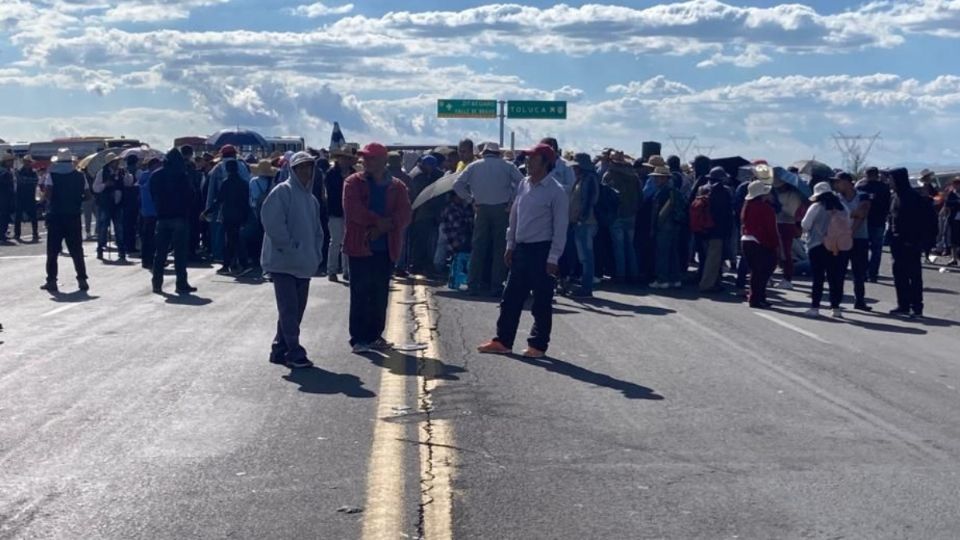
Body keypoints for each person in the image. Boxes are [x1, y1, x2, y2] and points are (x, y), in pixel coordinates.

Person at [477, 143, 569, 359]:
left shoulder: (556, 191)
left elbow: (561, 228)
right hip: (521, 249)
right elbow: (515, 217)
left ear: (546, 162)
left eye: (533, 158)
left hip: (542, 250)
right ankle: (503, 340)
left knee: (541, 300)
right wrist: (510, 245)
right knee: (510, 297)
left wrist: (553, 257)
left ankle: (538, 345)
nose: (527, 162)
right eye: (527, 158)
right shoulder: (524, 184)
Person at [343, 142, 412, 353]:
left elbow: (405, 213)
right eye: (365, 158)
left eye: (371, 158)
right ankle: (358, 338)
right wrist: (378, 222)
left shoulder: (398, 186)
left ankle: (375, 335)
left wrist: (384, 227)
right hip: (359, 245)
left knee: (380, 293)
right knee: (360, 292)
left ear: (383, 161)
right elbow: (353, 210)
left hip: (385, 247)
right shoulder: (353, 182)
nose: (366, 161)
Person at [260, 151, 325, 369]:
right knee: (289, 308)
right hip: (283, 262)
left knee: (296, 309)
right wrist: (288, 246)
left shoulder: (311, 199)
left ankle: (279, 348)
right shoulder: (282, 192)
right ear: (293, 170)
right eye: (301, 167)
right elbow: (272, 221)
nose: (306, 171)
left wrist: (316, 253)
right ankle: (294, 351)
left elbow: (317, 230)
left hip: (304, 263)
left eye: (309, 167)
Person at [453, 142, 524, 296]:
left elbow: (457, 184)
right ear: (498, 153)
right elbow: (523, 183)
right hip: (502, 209)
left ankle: (473, 284)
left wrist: (470, 199)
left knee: (478, 248)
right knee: (500, 248)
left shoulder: (474, 166)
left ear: (484, 152)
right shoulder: (507, 166)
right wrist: (512, 200)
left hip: (481, 208)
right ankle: (496, 285)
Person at [887, 167, 936, 318]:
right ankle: (903, 305)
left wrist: (918, 240)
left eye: (891, 179)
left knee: (913, 276)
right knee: (899, 275)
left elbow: (924, 221)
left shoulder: (913, 197)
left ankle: (917, 307)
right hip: (897, 242)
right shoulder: (895, 196)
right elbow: (892, 217)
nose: (890, 182)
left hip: (910, 242)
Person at [40, 149, 89, 293]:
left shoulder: (52, 175)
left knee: (53, 251)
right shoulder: (80, 176)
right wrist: (75, 199)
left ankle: (52, 281)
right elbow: (88, 196)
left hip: (55, 216)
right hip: (73, 216)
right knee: (76, 250)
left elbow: (48, 195)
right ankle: (82, 279)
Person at [150, 148, 197, 295]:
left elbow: (152, 194)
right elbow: (191, 194)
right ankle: (181, 283)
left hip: (162, 217)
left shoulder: (156, 175)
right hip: (180, 217)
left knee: (160, 253)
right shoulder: (182, 175)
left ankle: (157, 283)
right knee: (180, 253)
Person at [801, 182, 850, 318]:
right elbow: (849, 224)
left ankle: (815, 307)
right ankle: (836, 308)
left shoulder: (816, 206)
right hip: (838, 246)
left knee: (818, 278)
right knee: (836, 278)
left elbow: (805, 224)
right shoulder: (842, 207)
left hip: (818, 245)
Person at [832, 171, 873, 311]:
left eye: (838, 182)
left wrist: (850, 231)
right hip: (840, 238)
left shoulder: (862, 196)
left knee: (859, 271)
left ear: (848, 183)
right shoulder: (836, 198)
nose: (836, 185)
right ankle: (836, 302)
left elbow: (861, 215)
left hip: (859, 238)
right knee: (839, 270)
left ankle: (860, 300)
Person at [740, 180, 779, 308]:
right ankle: (757, 298)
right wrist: (775, 245)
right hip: (760, 241)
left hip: (746, 240)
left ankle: (757, 297)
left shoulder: (747, 206)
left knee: (756, 272)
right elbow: (771, 229)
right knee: (764, 272)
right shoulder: (766, 208)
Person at [603, 153, 640, 283]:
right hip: (631, 214)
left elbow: (604, 196)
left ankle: (620, 275)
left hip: (616, 215)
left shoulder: (609, 175)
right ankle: (634, 273)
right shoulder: (634, 176)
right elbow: (640, 196)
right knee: (630, 246)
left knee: (619, 247)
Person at [323, 145, 358, 282]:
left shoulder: (354, 173)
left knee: (348, 242)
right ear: (339, 158)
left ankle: (347, 271)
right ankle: (331, 270)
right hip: (335, 212)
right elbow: (330, 193)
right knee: (335, 242)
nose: (346, 160)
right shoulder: (331, 173)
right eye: (344, 158)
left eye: (348, 158)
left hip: (350, 213)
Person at [649, 165, 687, 289]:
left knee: (662, 254)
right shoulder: (675, 191)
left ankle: (662, 279)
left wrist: (654, 227)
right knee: (673, 253)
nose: (655, 180)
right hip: (675, 225)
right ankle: (675, 279)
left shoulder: (661, 192)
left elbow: (657, 213)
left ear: (664, 178)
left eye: (657, 178)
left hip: (664, 226)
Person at [212, 159, 252, 276]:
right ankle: (238, 264)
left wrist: (207, 211)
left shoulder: (226, 183)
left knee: (229, 241)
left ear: (227, 169)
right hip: (240, 215)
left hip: (228, 216)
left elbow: (219, 200)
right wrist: (246, 217)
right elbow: (246, 202)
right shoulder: (244, 183)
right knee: (237, 240)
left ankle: (228, 265)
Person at [407, 154, 444, 275]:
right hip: (421, 213)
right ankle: (417, 264)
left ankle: (420, 263)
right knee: (421, 240)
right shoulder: (418, 176)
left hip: (424, 213)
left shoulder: (419, 173)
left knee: (424, 240)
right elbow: (421, 196)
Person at [698, 167, 734, 293]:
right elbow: (726, 213)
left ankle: (712, 281)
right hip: (717, 230)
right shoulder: (724, 191)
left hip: (702, 228)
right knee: (713, 259)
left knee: (706, 257)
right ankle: (707, 284)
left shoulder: (702, 189)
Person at [569, 153, 600, 297]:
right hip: (581, 222)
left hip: (586, 223)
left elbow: (589, 200)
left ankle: (586, 288)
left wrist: (581, 218)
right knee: (584, 256)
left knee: (586, 256)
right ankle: (585, 286)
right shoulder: (583, 178)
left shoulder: (588, 179)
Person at [92, 153, 129, 262]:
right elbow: (95, 188)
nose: (117, 163)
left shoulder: (121, 172)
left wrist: (126, 174)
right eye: (115, 161)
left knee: (119, 228)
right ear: (110, 163)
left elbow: (129, 182)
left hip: (118, 205)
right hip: (105, 204)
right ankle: (100, 248)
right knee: (103, 228)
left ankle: (121, 250)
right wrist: (105, 185)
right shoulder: (102, 173)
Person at [859, 166, 891, 282]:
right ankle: (873, 274)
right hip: (879, 221)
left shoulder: (861, 187)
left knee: (862, 249)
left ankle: (863, 272)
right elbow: (888, 205)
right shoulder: (884, 188)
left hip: (863, 221)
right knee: (876, 250)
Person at [248, 159, 277, 276]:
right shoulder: (273, 182)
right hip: (270, 211)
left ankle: (256, 259)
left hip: (256, 210)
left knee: (256, 235)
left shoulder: (254, 181)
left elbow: (251, 198)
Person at [138, 157, 162, 269]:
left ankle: (148, 259)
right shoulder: (152, 176)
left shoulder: (144, 175)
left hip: (146, 210)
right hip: (152, 210)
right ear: (153, 166)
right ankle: (149, 260)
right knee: (151, 238)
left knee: (148, 237)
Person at [14, 156, 39, 242]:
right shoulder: (19, 171)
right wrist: (28, 181)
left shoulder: (33, 172)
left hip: (30, 197)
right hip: (20, 196)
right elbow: (20, 181)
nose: (27, 163)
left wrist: (26, 180)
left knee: (33, 217)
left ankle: (35, 233)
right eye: (26, 161)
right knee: (18, 217)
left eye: (28, 162)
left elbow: (35, 181)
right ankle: (17, 234)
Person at [0, 153, 17, 243]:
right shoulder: (5, 172)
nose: (12, 163)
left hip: (5, 197)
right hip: (4, 198)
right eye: (11, 161)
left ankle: (2, 234)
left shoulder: (7, 171)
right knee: (3, 217)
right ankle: (1, 235)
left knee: (4, 217)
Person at [946, 177, 960, 266]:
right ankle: (954, 258)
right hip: (954, 219)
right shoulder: (951, 194)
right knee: (953, 239)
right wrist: (957, 202)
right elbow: (947, 204)